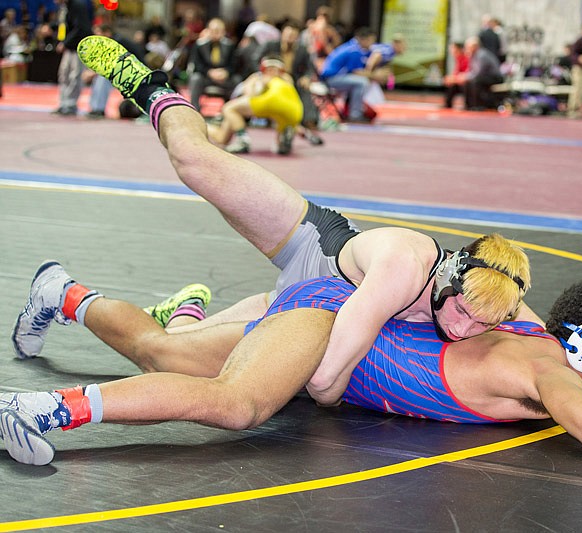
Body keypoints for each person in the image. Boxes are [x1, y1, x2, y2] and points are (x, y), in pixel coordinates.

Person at [59, 35, 531, 406]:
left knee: (169, 356)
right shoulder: (403, 268)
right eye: (464, 313)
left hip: (304, 309)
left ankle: (182, 310)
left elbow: (544, 340)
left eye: (483, 324)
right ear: (449, 277)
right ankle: (151, 86)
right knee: (195, 162)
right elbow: (326, 383)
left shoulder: (491, 296)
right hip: (312, 246)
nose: (467, 328)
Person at [1, 271, 582, 466]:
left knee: (161, 351)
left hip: (332, 308)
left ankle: (60, 290)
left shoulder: (537, 342)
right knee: (236, 405)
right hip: (329, 326)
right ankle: (39, 410)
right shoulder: (551, 371)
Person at [207, 57, 303, 155]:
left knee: (229, 108)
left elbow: (288, 100)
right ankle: (206, 125)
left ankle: (243, 139)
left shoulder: (284, 78)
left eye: (275, 70)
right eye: (270, 69)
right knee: (222, 138)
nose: (272, 73)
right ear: (264, 70)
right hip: (241, 109)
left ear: (280, 71)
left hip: (261, 109)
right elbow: (248, 94)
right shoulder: (257, 77)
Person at [318, 27, 377, 122]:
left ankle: (348, 110)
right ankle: (355, 115)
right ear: (363, 39)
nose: (372, 44)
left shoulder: (353, 47)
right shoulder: (354, 50)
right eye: (371, 41)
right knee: (362, 82)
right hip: (330, 79)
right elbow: (356, 72)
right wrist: (375, 76)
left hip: (335, 77)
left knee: (359, 82)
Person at [187, 18, 238, 112]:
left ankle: (231, 110)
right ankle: (195, 109)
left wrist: (226, 72)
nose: (216, 33)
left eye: (218, 31)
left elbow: (234, 65)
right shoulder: (199, 45)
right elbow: (197, 65)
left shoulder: (230, 45)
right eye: (213, 31)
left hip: (224, 78)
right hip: (206, 77)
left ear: (224, 32)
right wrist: (209, 72)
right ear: (208, 31)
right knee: (195, 78)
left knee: (236, 80)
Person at [51, 0, 91, 116]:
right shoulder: (64, 7)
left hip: (78, 47)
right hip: (69, 47)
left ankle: (71, 104)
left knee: (75, 76)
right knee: (63, 75)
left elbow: (81, 28)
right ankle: (63, 103)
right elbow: (63, 24)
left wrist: (65, 43)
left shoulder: (78, 5)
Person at [462, 36, 503, 111]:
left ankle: (478, 105)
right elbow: (472, 71)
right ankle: (469, 105)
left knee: (475, 81)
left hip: (495, 78)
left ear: (475, 46)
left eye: (468, 47)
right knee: (467, 82)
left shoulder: (482, 55)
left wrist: (465, 77)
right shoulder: (473, 55)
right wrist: (464, 77)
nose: (467, 49)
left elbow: (478, 73)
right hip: (484, 77)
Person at [442, 41, 470, 109]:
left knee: (462, 85)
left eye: (453, 48)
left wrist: (455, 79)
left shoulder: (466, 58)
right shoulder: (458, 58)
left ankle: (468, 105)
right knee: (450, 84)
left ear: (459, 49)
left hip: (466, 80)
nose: (451, 50)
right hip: (459, 80)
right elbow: (456, 72)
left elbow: (467, 73)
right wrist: (450, 78)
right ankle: (448, 104)